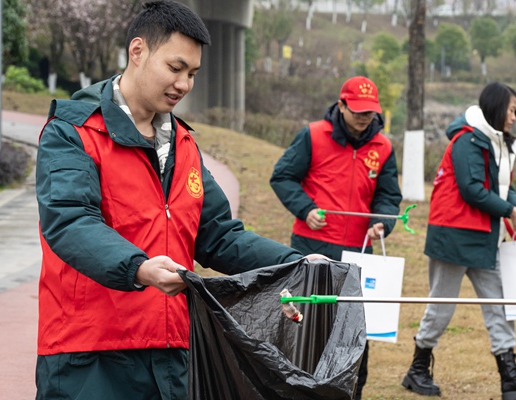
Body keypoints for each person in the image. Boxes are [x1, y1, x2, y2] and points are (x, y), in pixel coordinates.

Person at [34, 2, 322, 399]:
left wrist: (296, 263)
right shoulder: (72, 133)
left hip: (173, 354)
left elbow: (219, 236)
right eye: (175, 68)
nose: (184, 84)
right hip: (90, 356)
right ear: (138, 51)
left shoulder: (184, 145)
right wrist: (139, 268)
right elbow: (69, 223)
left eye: (192, 74)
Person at [401, 82, 516, 399]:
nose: (514, 117)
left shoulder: (497, 141)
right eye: (511, 110)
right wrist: (510, 210)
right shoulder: (466, 140)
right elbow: (472, 189)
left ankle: (509, 377)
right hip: (453, 236)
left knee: (500, 305)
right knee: (441, 307)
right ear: (496, 108)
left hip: (485, 237)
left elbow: (499, 185)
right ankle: (417, 370)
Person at [270, 75, 403, 400]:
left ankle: (352, 391)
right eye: (357, 110)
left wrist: (382, 223)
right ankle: (299, 388)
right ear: (341, 105)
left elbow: (388, 196)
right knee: (306, 323)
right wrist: (306, 209)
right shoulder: (313, 136)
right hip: (312, 248)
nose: (363, 117)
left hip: (359, 251)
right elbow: (283, 176)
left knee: (354, 328)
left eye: (369, 111)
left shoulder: (383, 147)